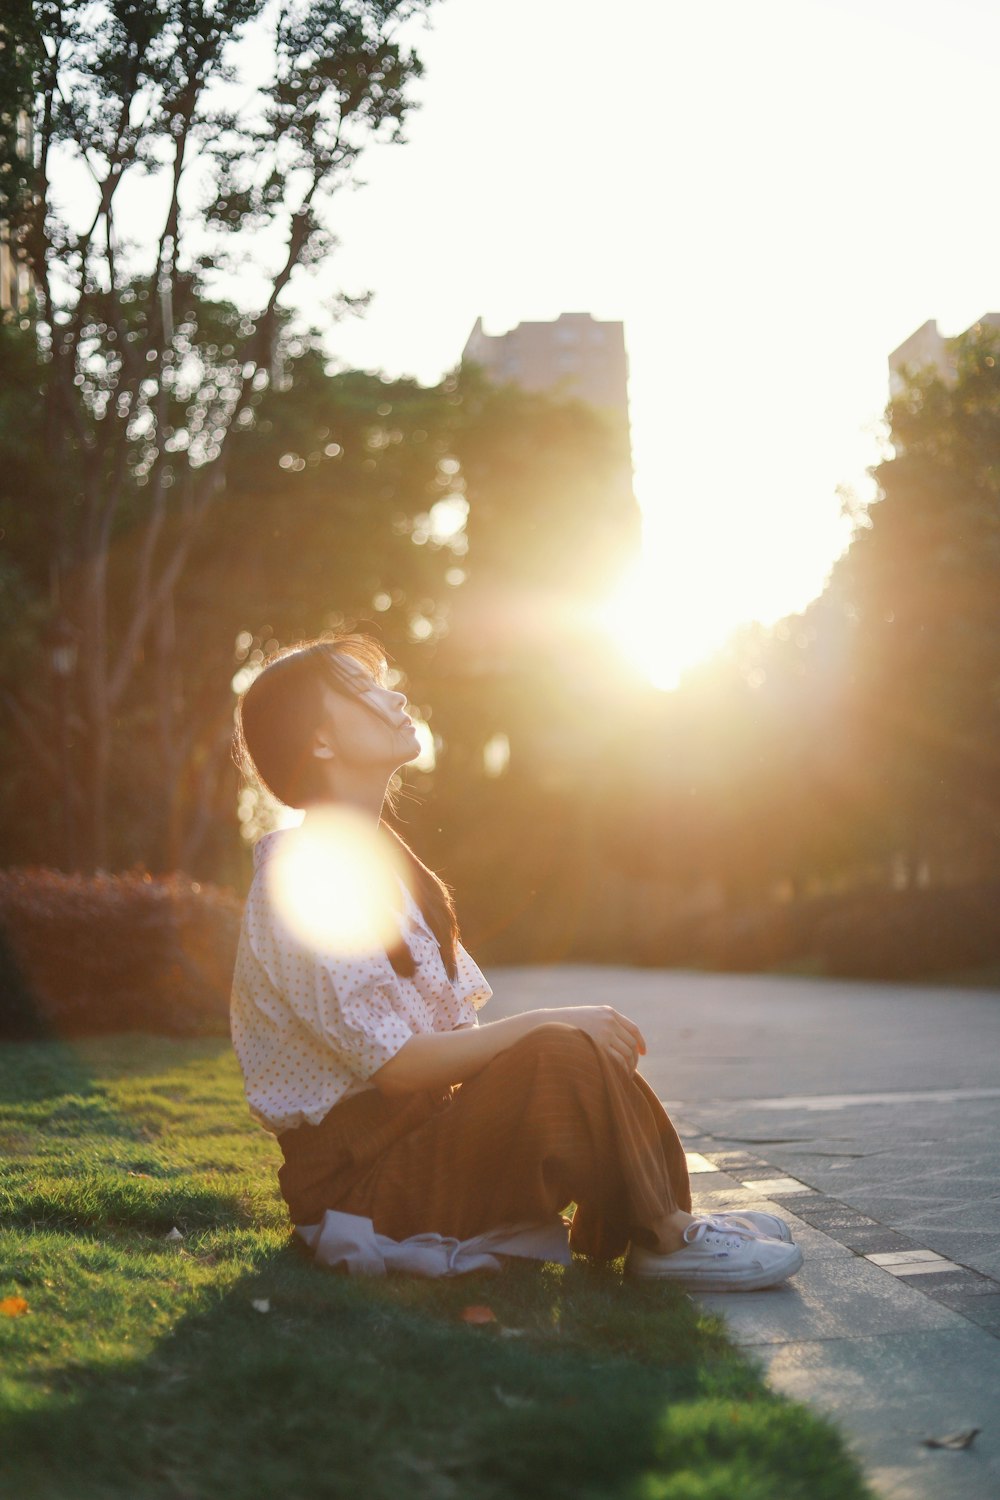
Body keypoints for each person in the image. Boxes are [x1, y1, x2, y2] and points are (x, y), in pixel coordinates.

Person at [230, 634, 803, 1288]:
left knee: (581, 1050)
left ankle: (662, 1226)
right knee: (558, 1051)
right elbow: (396, 1068)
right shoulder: (306, 876)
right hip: (361, 1186)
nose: (394, 697)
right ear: (322, 743)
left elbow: (455, 1046)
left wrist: (558, 1039)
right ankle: (669, 1238)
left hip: (418, 1141)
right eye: (363, 692)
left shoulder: (386, 869)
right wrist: (546, 1026)